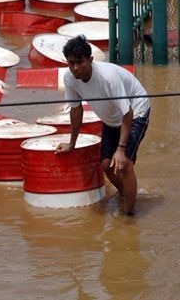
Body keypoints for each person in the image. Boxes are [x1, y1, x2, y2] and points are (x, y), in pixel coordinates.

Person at [55, 35, 150, 216]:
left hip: (136, 111)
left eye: (80, 62)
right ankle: (126, 193)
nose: (75, 68)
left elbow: (127, 112)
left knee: (124, 163)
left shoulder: (107, 78)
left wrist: (121, 149)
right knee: (106, 165)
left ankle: (129, 216)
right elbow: (76, 110)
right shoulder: (69, 78)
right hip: (111, 117)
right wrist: (71, 143)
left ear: (90, 60)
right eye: (71, 63)